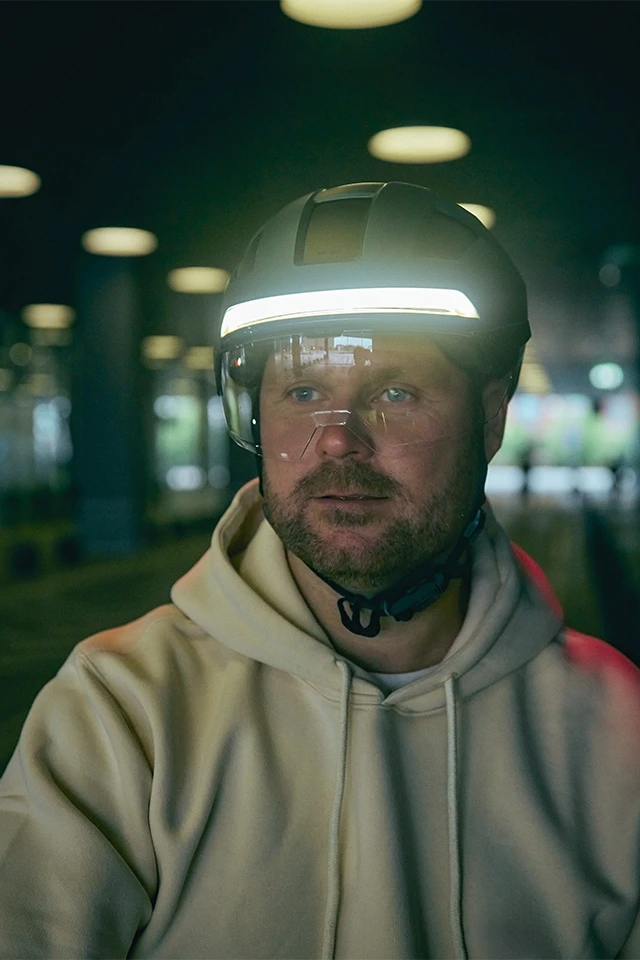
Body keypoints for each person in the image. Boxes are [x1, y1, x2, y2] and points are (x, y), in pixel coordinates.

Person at [0, 181, 639, 960]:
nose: (338, 440)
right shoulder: (121, 709)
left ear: (491, 417)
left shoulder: (616, 728)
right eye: (303, 392)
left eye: (396, 392)